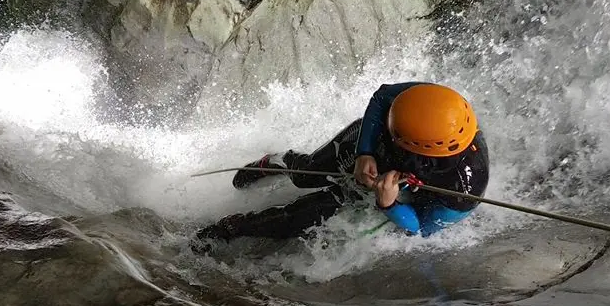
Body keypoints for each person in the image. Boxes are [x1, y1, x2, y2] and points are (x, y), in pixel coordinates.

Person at [195, 82, 490, 243]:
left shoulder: (464, 186)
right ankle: (277, 161)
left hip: (396, 186)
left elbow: (423, 227)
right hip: (370, 146)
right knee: (307, 175)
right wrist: (365, 153)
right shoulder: (426, 99)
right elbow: (381, 97)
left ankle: (233, 229)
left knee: (311, 213)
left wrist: (389, 204)